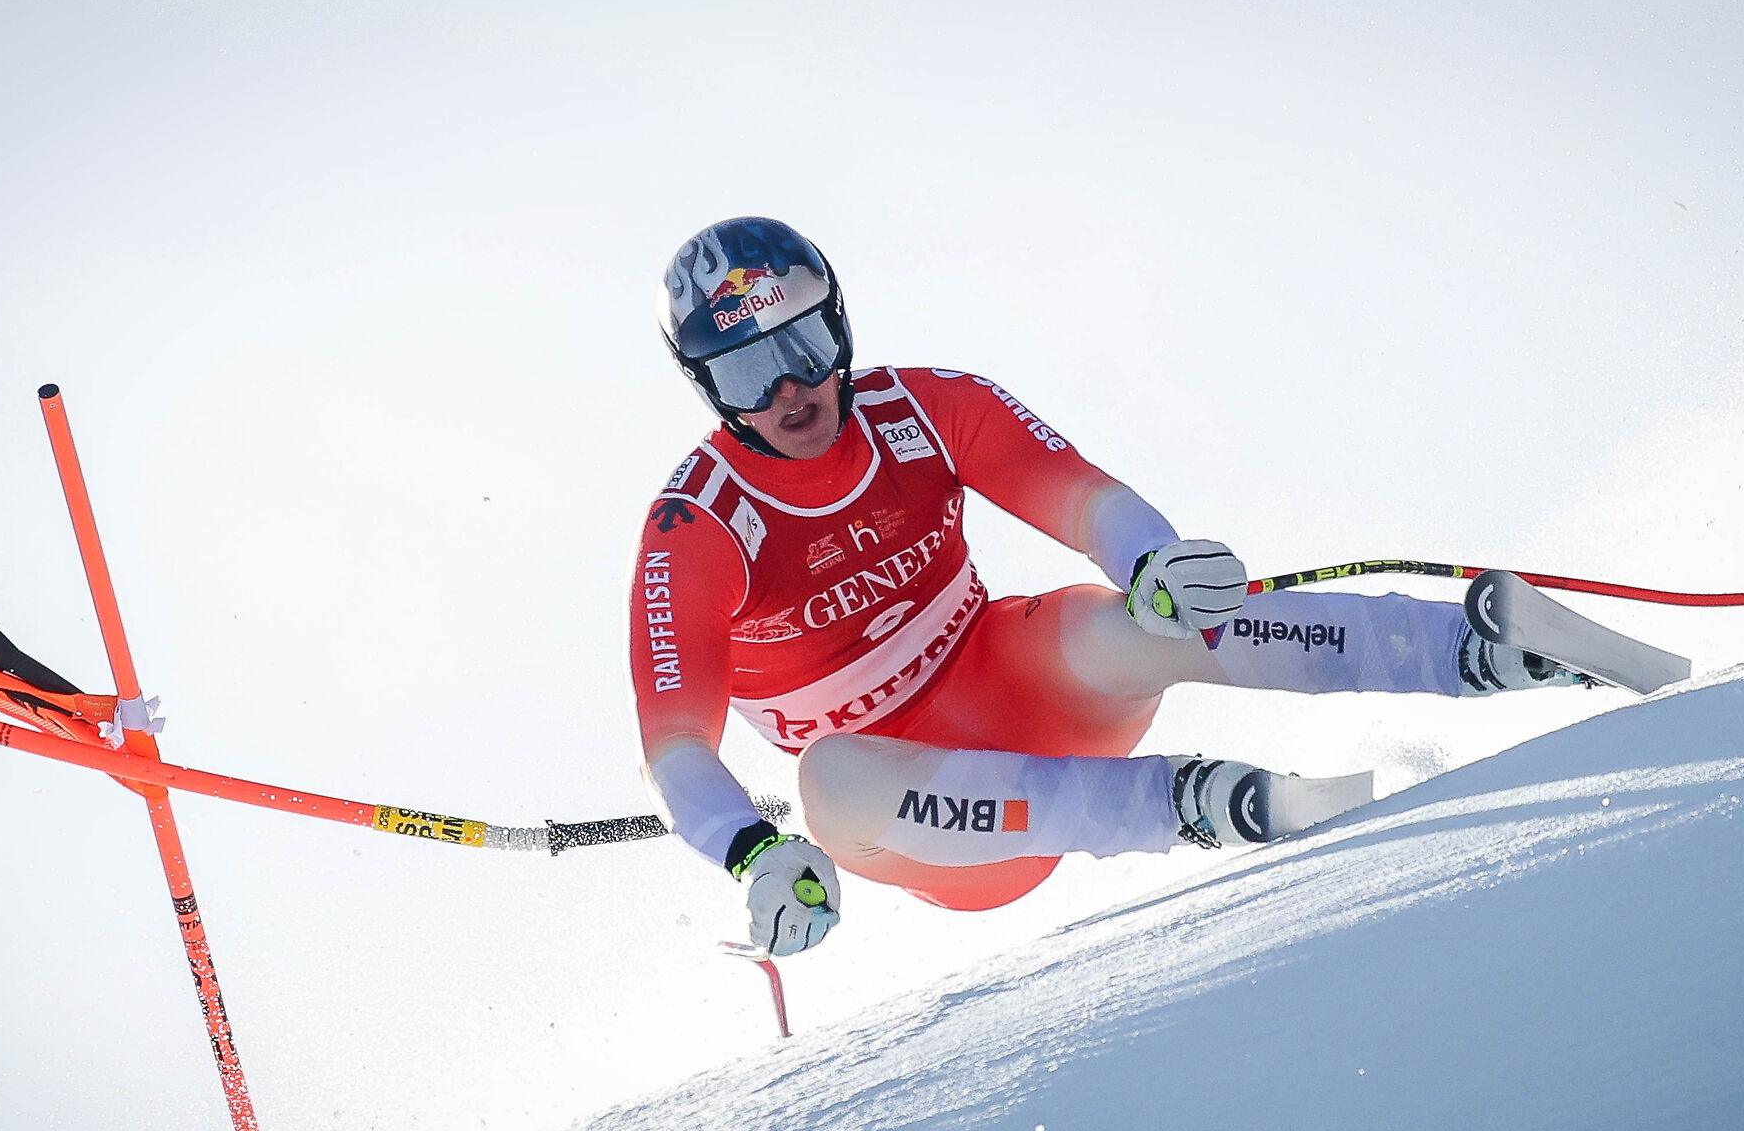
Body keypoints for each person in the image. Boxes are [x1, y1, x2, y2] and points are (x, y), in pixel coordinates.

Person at [631, 217, 1599, 957]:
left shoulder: (923, 408)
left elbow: (1082, 497)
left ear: (838, 326)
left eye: (800, 347)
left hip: (1019, 686)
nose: (788, 390)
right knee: (830, 783)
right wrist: (755, 854)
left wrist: (1154, 561)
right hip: (943, 821)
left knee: (1134, 620)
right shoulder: (698, 528)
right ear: (707, 388)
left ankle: (1479, 651)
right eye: (747, 373)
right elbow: (675, 751)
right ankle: (1180, 804)